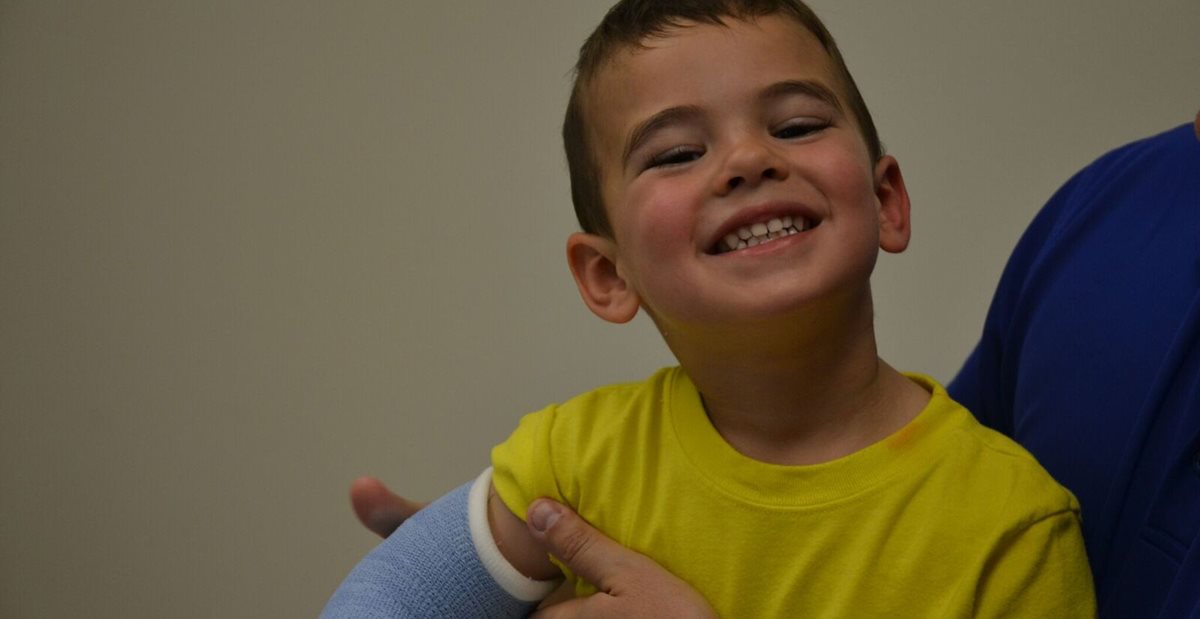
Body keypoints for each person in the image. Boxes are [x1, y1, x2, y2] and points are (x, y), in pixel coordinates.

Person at [322, 1, 1095, 616]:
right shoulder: (575, 459)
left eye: (795, 125)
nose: (750, 160)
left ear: (887, 200)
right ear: (606, 273)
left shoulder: (1008, 525)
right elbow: (389, 601)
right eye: (678, 153)